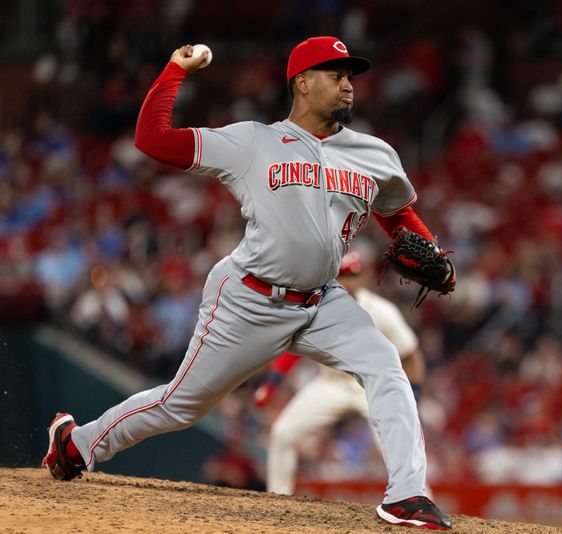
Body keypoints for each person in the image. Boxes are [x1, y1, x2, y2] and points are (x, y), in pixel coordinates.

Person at [42, 36, 454, 530]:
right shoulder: (251, 141)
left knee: (385, 364)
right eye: (335, 74)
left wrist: (431, 248)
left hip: (324, 302)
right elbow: (152, 139)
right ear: (302, 82)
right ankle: (78, 443)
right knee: (180, 406)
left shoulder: (374, 154)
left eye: (350, 76)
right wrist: (174, 71)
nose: (348, 84)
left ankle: (407, 494)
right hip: (249, 299)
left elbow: (398, 214)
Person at [257, 250, 427, 494]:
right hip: (330, 384)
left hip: (372, 388)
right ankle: (277, 497)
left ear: (363, 277)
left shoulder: (381, 311)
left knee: (399, 442)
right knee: (283, 433)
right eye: (343, 275)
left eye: (353, 275)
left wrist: (415, 394)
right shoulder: (318, 307)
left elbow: (411, 354)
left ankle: (421, 500)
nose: (348, 281)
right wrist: (271, 384)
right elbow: (294, 349)